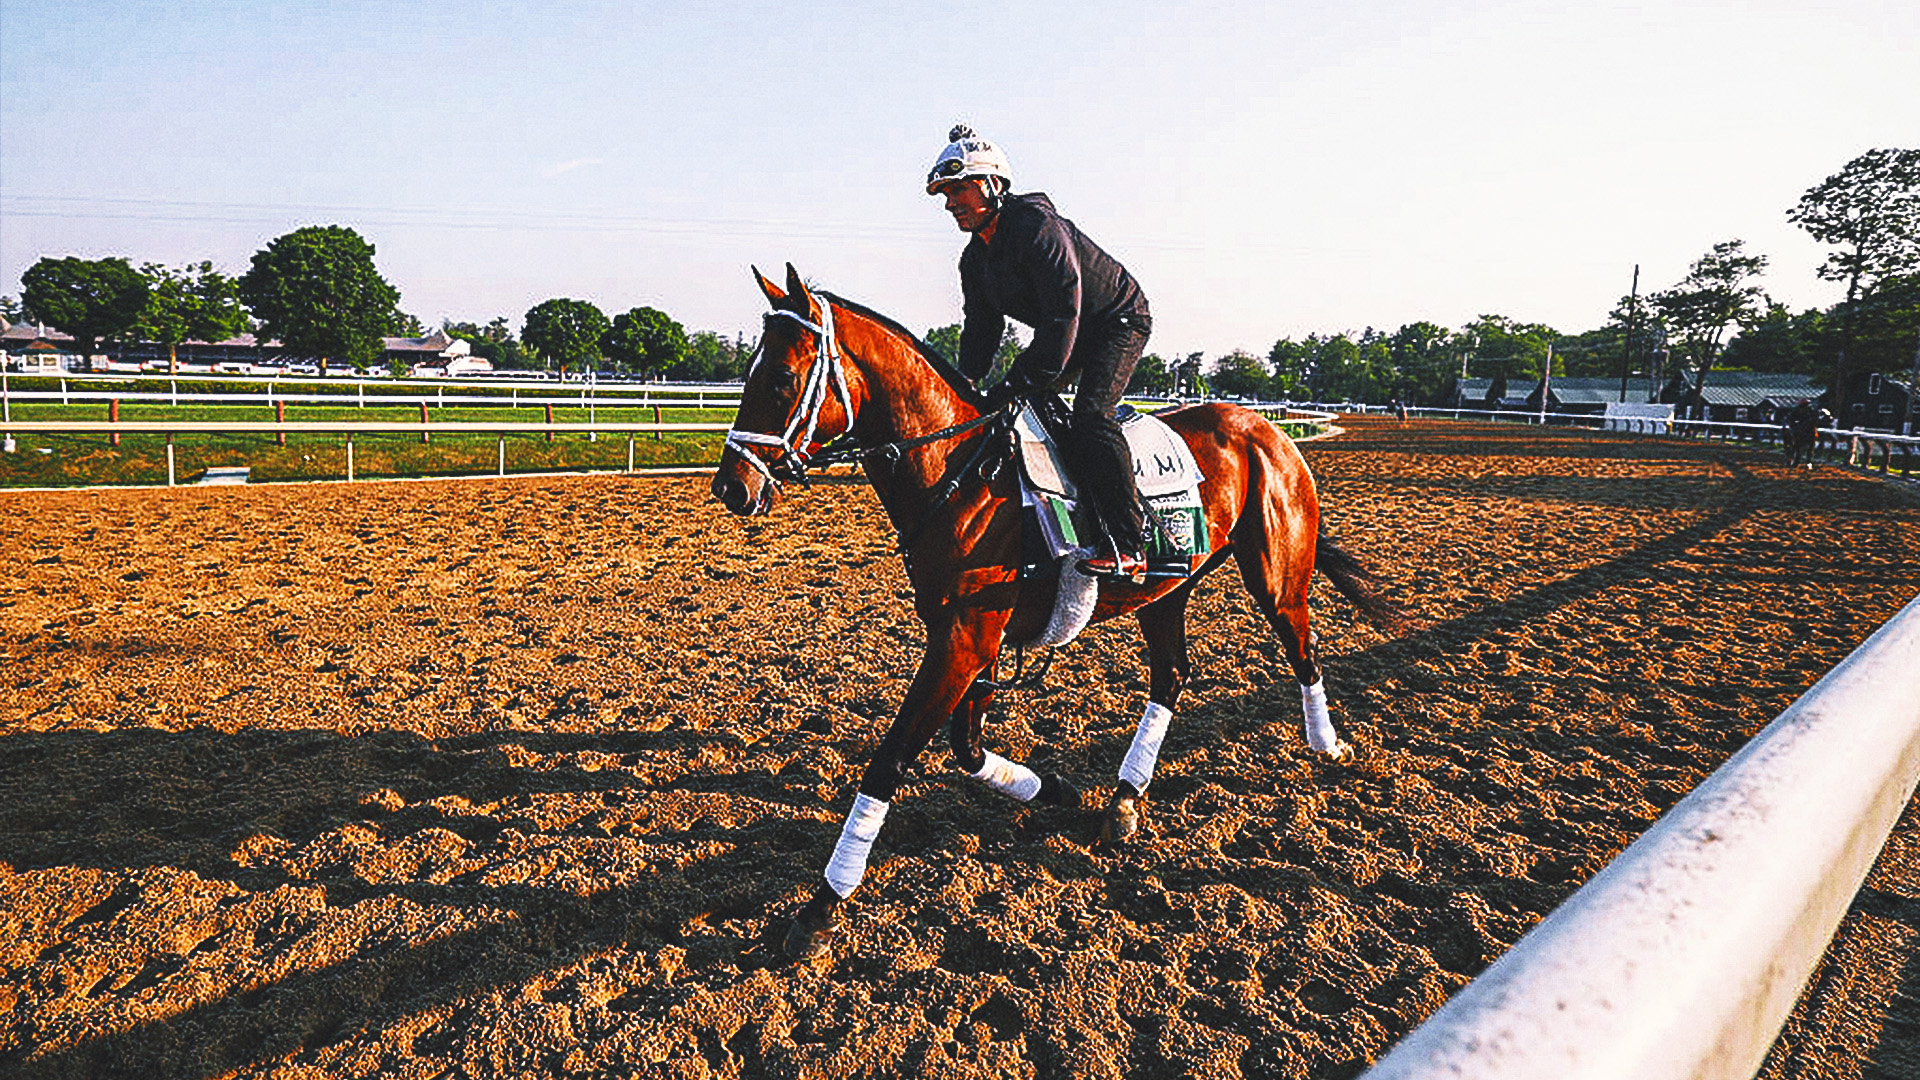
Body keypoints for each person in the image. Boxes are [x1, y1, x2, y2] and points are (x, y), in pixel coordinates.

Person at [925, 124, 1153, 579]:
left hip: (1115, 322)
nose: (950, 203)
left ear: (991, 185)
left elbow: (1061, 319)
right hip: (1068, 330)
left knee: (1091, 415)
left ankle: (1130, 543)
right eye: (945, 194)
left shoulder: (1038, 229)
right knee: (1018, 413)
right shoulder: (974, 258)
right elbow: (982, 329)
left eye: (958, 190)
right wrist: (963, 385)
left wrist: (1015, 381)